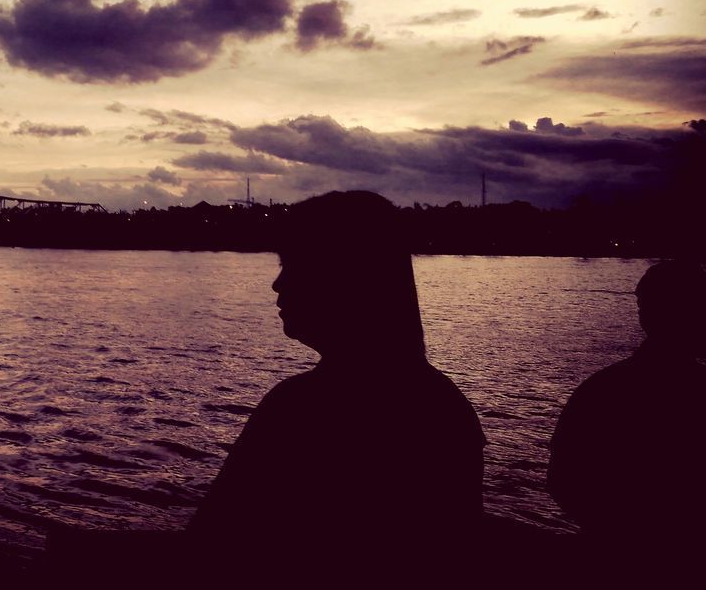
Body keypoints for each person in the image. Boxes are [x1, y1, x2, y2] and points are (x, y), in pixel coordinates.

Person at [189, 191, 485, 575]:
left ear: (345, 278)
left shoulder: (299, 408)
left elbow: (212, 538)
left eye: (294, 265)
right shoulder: (441, 404)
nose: (277, 285)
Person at [548, 260, 706, 554]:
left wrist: (610, 530)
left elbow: (562, 480)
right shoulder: (696, 392)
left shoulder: (600, 389)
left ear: (644, 315)